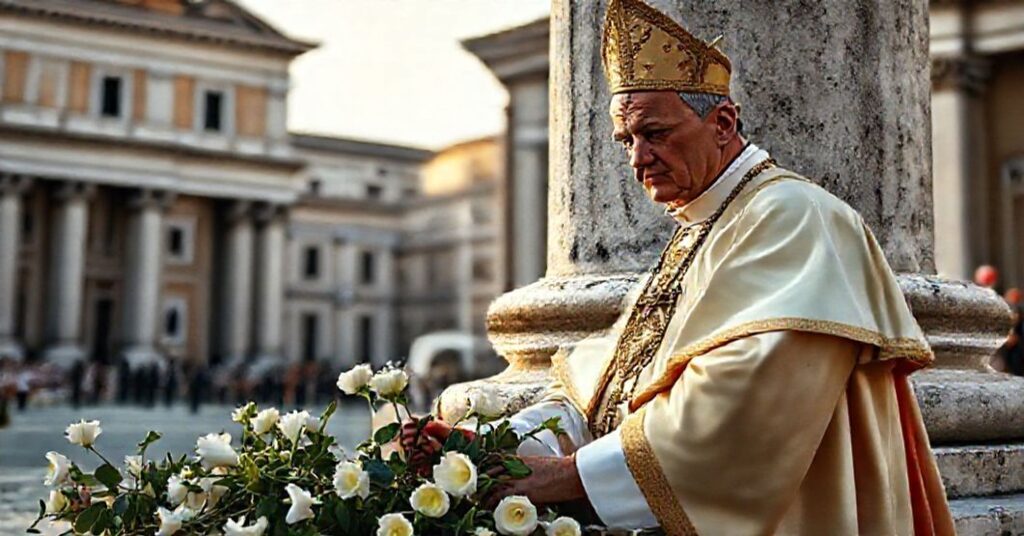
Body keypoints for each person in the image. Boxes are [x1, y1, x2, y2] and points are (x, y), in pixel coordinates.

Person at [402, 1, 954, 534]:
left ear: (723, 122)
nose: (637, 157)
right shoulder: (701, 226)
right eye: (627, 139)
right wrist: (494, 447)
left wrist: (570, 477)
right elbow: (614, 385)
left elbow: (746, 408)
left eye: (656, 133)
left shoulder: (793, 217)